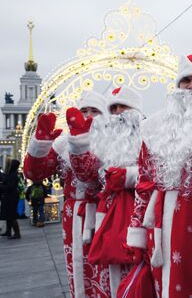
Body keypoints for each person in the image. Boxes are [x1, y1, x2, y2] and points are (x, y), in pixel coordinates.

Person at [125, 54, 192, 297]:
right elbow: (144, 182)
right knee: (166, 283)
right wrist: (137, 232)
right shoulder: (155, 128)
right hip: (162, 221)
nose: (191, 87)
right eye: (186, 80)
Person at [23, 90, 111, 298]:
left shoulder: (112, 143)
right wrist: (40, 144)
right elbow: (34, 173)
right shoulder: (63, 144)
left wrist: (79, 144)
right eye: (83, 111)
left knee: (104, 268)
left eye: (94, 111)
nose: (88, 116)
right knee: (78, 266)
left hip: (103, 213)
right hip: (74, 217)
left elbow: (90, 177)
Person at [67, 85, 144, 297]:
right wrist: (79, 145)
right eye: (113, 108)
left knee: (137, 276)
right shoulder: (102, 144)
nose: (118, 112)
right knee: (110, 274)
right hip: (108, 218)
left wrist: (128, 176)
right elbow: (89, 177)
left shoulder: (151, 137)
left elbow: (157, 173)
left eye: (123, 107)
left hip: (140, 215)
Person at [0, 159, 22, 239]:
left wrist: (1, 187)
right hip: (9, 196)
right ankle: (8, 231)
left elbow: (10, 187)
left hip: (11, 196)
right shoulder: (12, 174)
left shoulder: (13, 175)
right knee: (8, 215)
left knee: (11, 215)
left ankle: (17, 233)